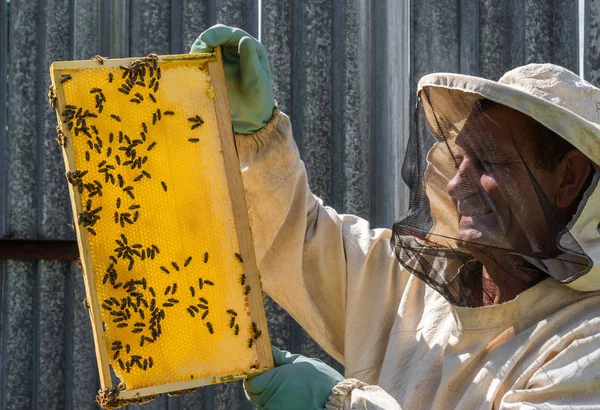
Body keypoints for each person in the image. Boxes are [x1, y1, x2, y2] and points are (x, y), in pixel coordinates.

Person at [191, 25, 600, 409]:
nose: (457, 185)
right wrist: (255, 137)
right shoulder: (411, 284)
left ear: (568, 177)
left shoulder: (587, 340)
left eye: (488, 162)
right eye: (459, 159)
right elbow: (296, 236)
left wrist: (341, 403)